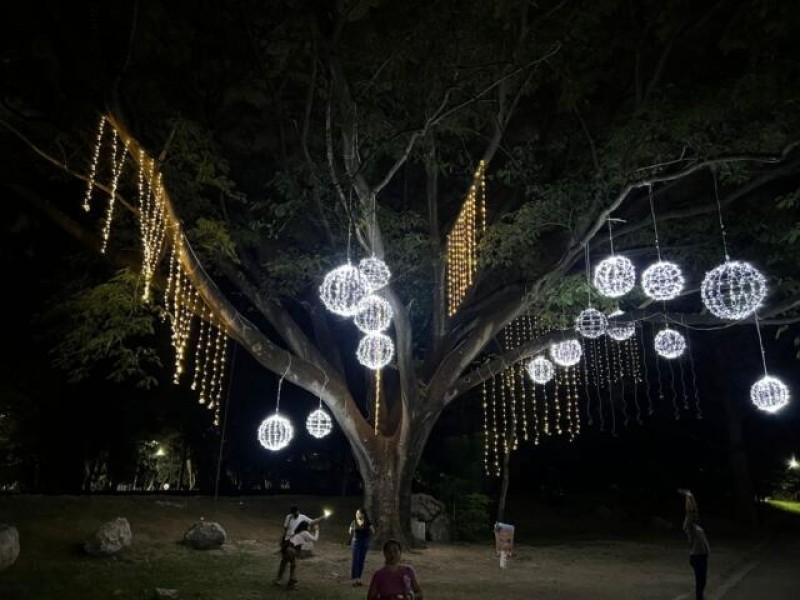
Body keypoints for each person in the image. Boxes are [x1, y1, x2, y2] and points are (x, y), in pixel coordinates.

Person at [679, 489, 710, 600]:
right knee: (700, 579)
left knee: (703, 579)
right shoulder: (689, 526)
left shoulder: (697, 526)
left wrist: (692, 496)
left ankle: (700, 596)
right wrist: (688, 497)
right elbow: (690, 511)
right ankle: (699, 597)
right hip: (696, 556)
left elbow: (694, 510)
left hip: (702, 555)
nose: (695, 515)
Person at [274, 520, 319, 590]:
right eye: (308, 526)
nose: (309, 527)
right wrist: (317, 530)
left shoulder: (297, 531)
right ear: (305, 527)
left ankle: (278, 580)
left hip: (286, 549)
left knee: (284, 565)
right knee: (294, 567)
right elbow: (315, 539)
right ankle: (291, 584)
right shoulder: (305, 532)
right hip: (291, 550)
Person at [349, 507, 377, 586]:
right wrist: (352, 532)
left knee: (361, 560)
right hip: (356, 542)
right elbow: (350, 531)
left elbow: (373, 531)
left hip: (364, 543)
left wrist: (367, 537)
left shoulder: (367, 522)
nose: (357, 515)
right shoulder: (354, 522)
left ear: (363, 515)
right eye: (356, 513)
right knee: (356, 559)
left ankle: (359, 579)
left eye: (358, 513)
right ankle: (354, 579)